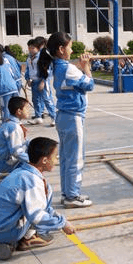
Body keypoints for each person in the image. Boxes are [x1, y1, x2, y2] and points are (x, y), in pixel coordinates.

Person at [0, 137, 75, 261]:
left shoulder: (22, 172)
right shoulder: (32, 182)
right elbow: (37, 215)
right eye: (54, 157)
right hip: (5, 231)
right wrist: (62, 223)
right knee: (37, 212)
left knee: (42, 197)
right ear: (44, 160)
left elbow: (44, 206)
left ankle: (9, 240)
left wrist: (58, 218)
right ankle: (25, 238)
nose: (56, 160)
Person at [38, 32, 94, 208]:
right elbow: (89, 84)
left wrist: (81, 65)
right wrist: (86, 67)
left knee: (67, 158)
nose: (71, 49)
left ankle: (68, 192)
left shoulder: (59, 66)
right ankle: (72, 195)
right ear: (61, 49)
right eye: (69, 46)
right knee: (76, 158)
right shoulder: (67, 68)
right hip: (72, 117)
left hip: (64, 116)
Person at [0, 97, 30, 180]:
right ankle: (11, 169)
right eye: (27, 108)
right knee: (32, 166)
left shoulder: (9, 122)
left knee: (31, 146)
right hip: (6, 163)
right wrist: (32, 160)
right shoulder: (14, 127)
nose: (29, 110)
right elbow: (16, 152)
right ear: (19, 111)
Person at [25, 39, 56, 126]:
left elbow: (47, 70)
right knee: (36, 100)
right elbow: (28, 69)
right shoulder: (29, 58)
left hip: (42, 81)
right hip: (34, 81)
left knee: (47, 99)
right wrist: (28, 79)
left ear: (38, 48)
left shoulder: (42, 57)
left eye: (33, 48)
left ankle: (54, 117)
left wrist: (43, 81)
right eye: (29, 48)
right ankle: (38, 117)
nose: (31, 49)